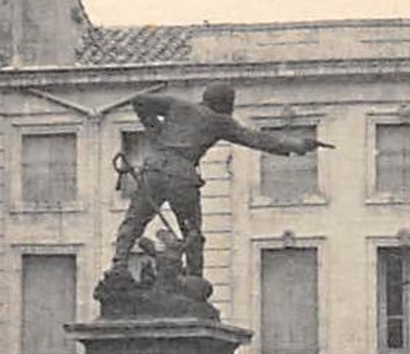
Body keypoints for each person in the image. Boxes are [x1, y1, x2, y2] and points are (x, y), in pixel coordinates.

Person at [109, 84, 320, 280]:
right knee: (191, 232)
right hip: (182, 175)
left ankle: (118, 264)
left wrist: (155, 131)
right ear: (225, 103)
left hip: (153, 169)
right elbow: (257, 139)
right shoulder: (219, 121)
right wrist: (298, 145)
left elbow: (140, 100)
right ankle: (194, 278)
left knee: (134, 221)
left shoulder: (178, 105)